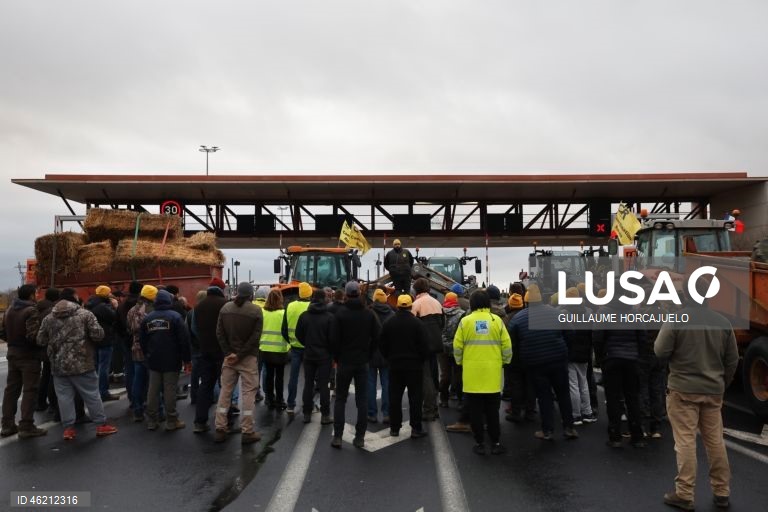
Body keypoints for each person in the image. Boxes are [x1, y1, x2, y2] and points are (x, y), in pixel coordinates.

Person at [655, 284, 738, 511]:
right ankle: (722, 491)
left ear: (686, 295)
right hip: (713, 391)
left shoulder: (676, 319)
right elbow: (732, 359)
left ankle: (684, 493)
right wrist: (722, 383)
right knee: (715, 442)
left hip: (682, 389)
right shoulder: (723, 322)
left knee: (685, 441)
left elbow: (660, 351)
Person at [36, 288, 117, 440]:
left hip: (59, 365)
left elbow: (40, 340)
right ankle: (100, 425)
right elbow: (98, 335)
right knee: (92, 395)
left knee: (64, 398)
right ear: (74, 297)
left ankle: (68, 429)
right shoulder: (85, 314)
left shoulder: (49, 318)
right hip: (82, 363)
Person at [508, 284, 578, 441]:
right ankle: (569, 428)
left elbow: (513, 343)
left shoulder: (518, 319)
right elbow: (571, 333)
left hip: (535, 363)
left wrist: (523, 358)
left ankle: (547, 430)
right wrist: (565, 350)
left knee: (544, 396)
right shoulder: (556, 313)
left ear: (526, 302)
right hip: (558, 359)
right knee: (563, 394)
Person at [454, 289, 512, 455]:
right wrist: (505, 361)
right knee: (492, 412)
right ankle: (495, 442)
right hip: (492, 375)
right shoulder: (496, 321)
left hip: (472, 376)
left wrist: (460, 362)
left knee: (475, 412)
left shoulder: (465, 321)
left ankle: (480, 443)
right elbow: (507, 346)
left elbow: (457, 347)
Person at [593, 284, 647, 449]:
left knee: (613, 398)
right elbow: (642, 337)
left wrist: (601, 359)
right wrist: (640, 358)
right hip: (632, 360)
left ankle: (615, 436)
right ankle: (637, 436)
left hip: (612, 359)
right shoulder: (634, 312)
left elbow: (598, 338)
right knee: (633, 398)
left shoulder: (603, 312)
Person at [330, 281, 380, 449]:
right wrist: (369, 354)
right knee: (362, 400)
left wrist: (337, 357)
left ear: (346, 294)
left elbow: (333, 339)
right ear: (359, 293)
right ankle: (360, 437)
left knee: (340, 399)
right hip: (362, 362)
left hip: (344, 362)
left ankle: (338, 436)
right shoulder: (369, 314)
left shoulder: (340, 314)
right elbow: (377, 337)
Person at [214, 283, 263, 444]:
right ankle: (247, 431)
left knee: (225, 391)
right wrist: (240, 355)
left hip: (229, 358)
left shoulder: (225, 308)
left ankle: (220, 428)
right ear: (251, 295)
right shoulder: (256, 311)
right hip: (247, 358)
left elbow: (219, 333)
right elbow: (255, 337)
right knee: (248, 393)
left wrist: (228, 353)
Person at [140, 290, 191, 432]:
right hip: (172, 359)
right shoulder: (175, 317)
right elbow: (184, 340)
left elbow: (142, 340)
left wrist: (148, 355)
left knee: (153, 390)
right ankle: (171, 420)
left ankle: (152, 420)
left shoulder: (148, 318)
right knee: (170, 390)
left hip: (154, 360)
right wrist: (186, 359)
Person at [380, 294, 429, 438]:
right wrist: (420, 360)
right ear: (410, 306)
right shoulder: (417, 323)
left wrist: (389, 358)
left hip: (395, 366)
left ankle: (394, 428)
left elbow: (382, 344)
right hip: (414, 366)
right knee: (415, 398)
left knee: (394, 397)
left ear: (397, 306)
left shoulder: (389, 323)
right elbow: (424, 346)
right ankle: (416, 428)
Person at [1, 284, 46, 438]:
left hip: (12, 352)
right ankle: (26, 425)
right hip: (29, 355)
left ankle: (7, 425)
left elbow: (2, 331)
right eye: (36, 293)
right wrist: (43, 342)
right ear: (31, 295)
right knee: (30, 390)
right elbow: (33, 336)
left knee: (11, 390)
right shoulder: (31, 310)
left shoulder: (9, 310)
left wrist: (12, 341)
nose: (37, 296)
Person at [296, 289, 339, 424]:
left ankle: (306, 414)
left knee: (308, 384)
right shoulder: (329, 317)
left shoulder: (304, 316)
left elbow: (298, 334)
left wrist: (307, 344)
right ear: (324, 300)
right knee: (324, 385)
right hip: (324, 356)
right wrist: (330, 352)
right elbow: (333, 339)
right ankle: (325, 415)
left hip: (309, 354)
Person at [192, 282, 228, 433]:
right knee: (226, 386)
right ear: (221, 291)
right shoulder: (225, 305)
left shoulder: (198, 307)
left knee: (205, 385)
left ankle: (200, 422)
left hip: (205, 351)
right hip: (222, 351)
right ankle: (224, 421)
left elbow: (194, 328)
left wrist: (202, 341)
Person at [560, 287, 595, 426]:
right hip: (585, 352)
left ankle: (576, 415)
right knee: (584, 382)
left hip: (570, 353)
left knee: (573, 385)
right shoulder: (589, 312)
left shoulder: (563, 313)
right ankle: (588, 412)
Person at [411, 278, 445, 421]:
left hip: (423, 346)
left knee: (426, 378)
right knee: (434, 375)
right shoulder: (437, 303)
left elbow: (412, 326)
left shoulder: (416, 304)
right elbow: (442, 324)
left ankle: (429, 409)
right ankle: (435, 408)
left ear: (416, 290)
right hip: (436, 344)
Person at [503, 293, 536, 423]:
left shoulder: (510, 319)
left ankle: (516, 412)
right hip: (531, 356)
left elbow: (508, 340)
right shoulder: (532, 317)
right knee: (530, 384)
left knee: (516, 385)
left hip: (515, 357)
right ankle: (530, 411)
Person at [126, 285, 157, 422]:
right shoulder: (149, 310)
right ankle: (155, 411)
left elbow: (129, 328)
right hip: (148, 349)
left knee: (137, 381)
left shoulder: (131, 310)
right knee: (153, 382)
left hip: (136, 348)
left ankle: (137, 410)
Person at [282, 282, 312, 416]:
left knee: (293, 377)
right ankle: (308, 404)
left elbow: (284, 329)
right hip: (309, 348)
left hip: (294, 347)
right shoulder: (311, 306)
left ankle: (290, 405)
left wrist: (291, 341)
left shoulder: (290, 305)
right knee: (309, 378)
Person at [86, 285, 120, 401]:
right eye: (109, 292)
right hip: (105, 339)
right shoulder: (102, 307)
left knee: (95, 367)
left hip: (94, 339)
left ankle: (95, 392)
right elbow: (115, 318)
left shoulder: (90, 304)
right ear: (105, 294)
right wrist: (115, 307)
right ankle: (103, 392)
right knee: (104, 367)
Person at [259, 289, 289, 411]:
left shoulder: (262, 312)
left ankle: (269, 399)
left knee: (269, 376)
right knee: (279, 377)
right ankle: (279, 400)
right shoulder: (283, 313)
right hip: (280, 350)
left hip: (265, 349)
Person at [368, 288, 394, 424]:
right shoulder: (392, 314)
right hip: (386, 354)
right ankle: (387, 414)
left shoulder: (368, 313)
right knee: (387, 384)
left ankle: (371, 414)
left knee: (370, 384)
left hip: (371, 353)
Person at [117, 281, 141, 410]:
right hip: (138, 342)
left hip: (126, 341)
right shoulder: (140, 305)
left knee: (129, 370)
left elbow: (116, 324)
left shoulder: (121, 305)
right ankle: (142, 398)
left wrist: (123, 337)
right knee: (141, 370)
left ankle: (132, 398)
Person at [35, 287, 60, 414]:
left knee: (45, 375)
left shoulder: (39, 309)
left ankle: (40, 402)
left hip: (42, 348)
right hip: (51, 348)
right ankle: (53, 404)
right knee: (52, 376)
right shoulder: (51, 311)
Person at [186, 289, 207, 405]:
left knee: (194, 374)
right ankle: (205, 396)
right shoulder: (205, 312)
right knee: (206, 374)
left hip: (193, 348)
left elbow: (186, 331)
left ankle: (194, 396)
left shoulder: (190, 313)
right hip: (204, 347)